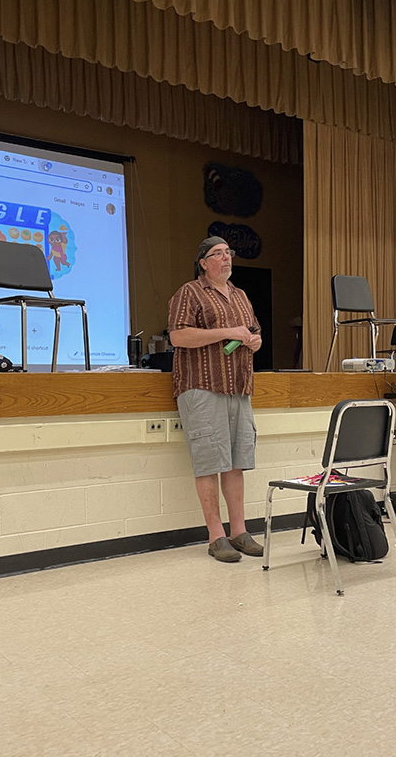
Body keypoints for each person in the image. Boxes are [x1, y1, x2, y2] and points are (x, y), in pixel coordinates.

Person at [168, 236, 263, 562]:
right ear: (203, 262)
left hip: (238, 388)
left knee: (236, 463)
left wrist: (252, 342)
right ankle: (216, 536)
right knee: (210, 462)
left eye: (228, 253)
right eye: (217, 254)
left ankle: (239, 531)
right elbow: (178, 335)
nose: (226, 258)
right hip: (202, 387)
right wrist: (227, 333)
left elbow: (256, 335)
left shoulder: (241, 296)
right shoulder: (189, 292)